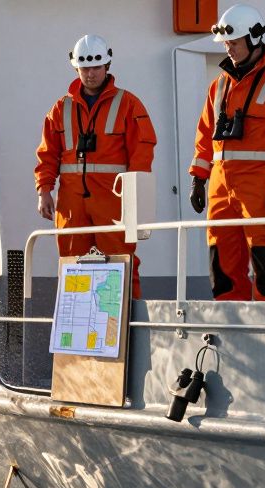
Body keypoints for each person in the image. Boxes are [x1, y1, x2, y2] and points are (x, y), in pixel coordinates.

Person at [188, 4, 265, 301]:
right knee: (222, 267)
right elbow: (205, 135)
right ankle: (230, 324)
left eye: (233, 42)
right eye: (225, 43)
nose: (228, 49)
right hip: (221, 190)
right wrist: (198, 178)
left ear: (254, 38)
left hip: (261, 188)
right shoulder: (219, 86)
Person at [36, 34, 156, 299]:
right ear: (76, 68)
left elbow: (142, 150)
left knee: (121, 262)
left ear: (107, 66)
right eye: (85, 68)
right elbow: (48, 153)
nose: (90, 74)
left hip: (114, 202)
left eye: (96, 67)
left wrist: (134, 197)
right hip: (71, 204)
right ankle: (76, 320)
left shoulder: (128, 104)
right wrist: (44, 190)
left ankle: (128, 320)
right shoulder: (60, 109)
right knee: (72, 264)